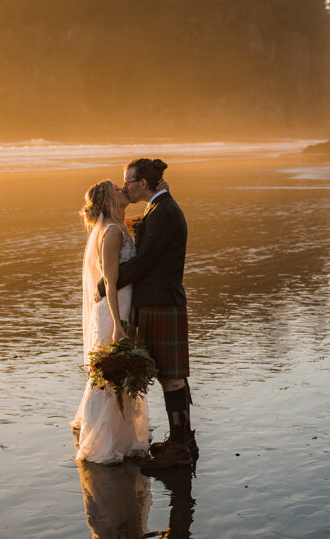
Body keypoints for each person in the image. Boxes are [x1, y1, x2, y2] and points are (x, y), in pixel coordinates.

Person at [101, 158, 196, 470]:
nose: (125, 186)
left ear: (143, 183)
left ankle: (180, 448)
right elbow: (145, 243)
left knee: (170, 376)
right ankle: (183, 440)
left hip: (161, 302)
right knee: (173, 375)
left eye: (129, 181)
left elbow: (145, 263)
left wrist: (107, 286)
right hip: (161, 300)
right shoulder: (160, 208)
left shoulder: (164, 212)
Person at [71, 180, 150, 464]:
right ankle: (103, 441)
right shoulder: (113, 233)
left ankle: (122, 436)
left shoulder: (119, 225)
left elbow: (148, 216)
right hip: (115, 309)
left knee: (121, 371)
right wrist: (118, 324)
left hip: (125, 306)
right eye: (118, 189)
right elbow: (110, 282)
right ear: (107, 201)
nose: (123, 190)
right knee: (110, 372)